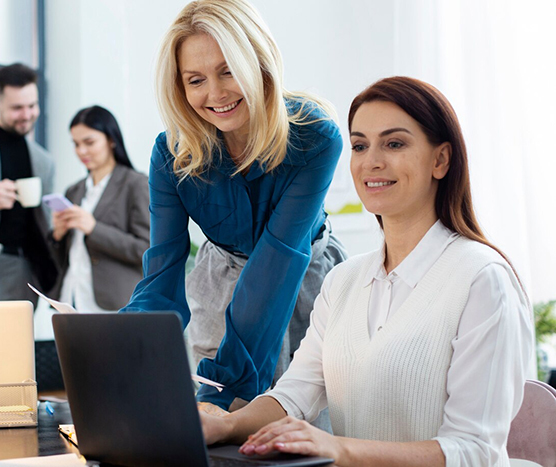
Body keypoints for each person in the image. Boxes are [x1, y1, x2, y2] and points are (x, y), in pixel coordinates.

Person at [200, 76, 535, 466]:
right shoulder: (343, 281)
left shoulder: (482, 279)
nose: (372, 161)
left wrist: (338, 449)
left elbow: (475, 451)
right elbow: (294, 394)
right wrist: (226, 424)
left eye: (394, 143)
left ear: (440, 160)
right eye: (360, 145)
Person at [121, 0, 346, 412]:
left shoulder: (315, 136)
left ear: (259, 63)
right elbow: (163, 271)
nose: (215, 94)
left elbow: (277, 260)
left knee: (305, 419)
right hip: (219, 274)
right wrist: (129, 349)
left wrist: (222, 390)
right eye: (195, 80)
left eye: (228, 70)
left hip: (305, 277)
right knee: (217, 423)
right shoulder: (171, 154)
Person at [49, 106, 149, 312]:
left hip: (112, 303)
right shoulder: (74, 191)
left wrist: (93, 228)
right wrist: (58, 236)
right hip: (71, 297)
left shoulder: (135, 184)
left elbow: (146, 249)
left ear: (111, 140)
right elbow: (64, 256)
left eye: (89, 142)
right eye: (76, 144)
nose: (81, 151)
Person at [0, 63, 58, 306]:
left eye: (32, 106)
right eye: (17, 108)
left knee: (14, 344)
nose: (27, 114)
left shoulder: (43, 161)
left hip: (21, 271)